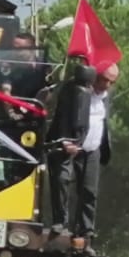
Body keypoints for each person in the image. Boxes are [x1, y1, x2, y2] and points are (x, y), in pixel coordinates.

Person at [45, 61, 117, 243]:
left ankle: (85, 230)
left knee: (89, 191)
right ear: (94, 76)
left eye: (111, 82)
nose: (106, 85)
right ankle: (60, 221)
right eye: (103, 80)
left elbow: (103, 121)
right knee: (61, 180)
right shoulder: (73, 90)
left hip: (92, 149)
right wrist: (64, 140)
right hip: (70, 146)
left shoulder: (106, 97)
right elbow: (59, 116)